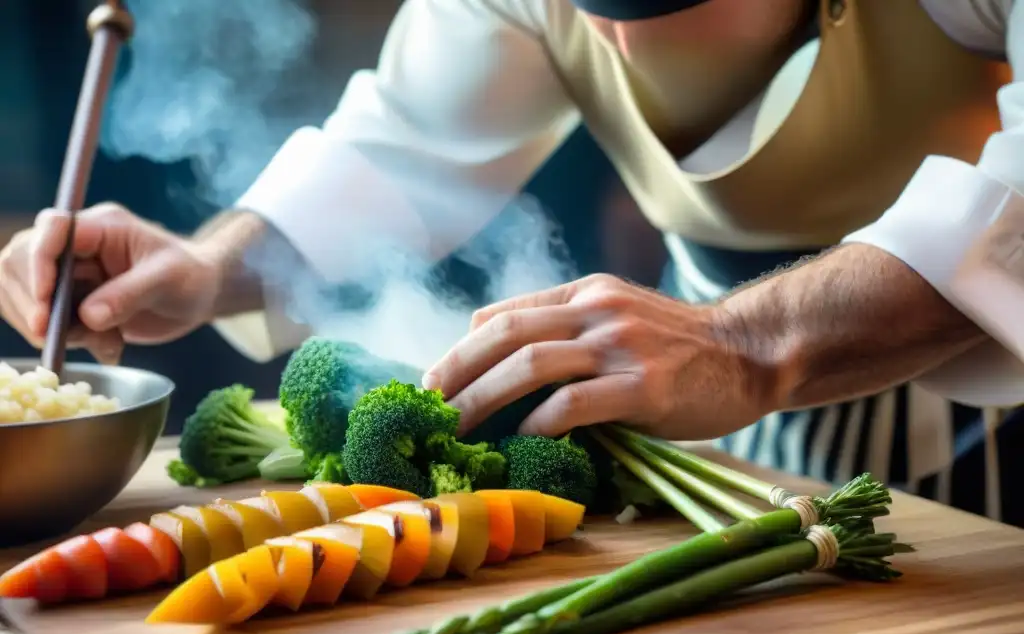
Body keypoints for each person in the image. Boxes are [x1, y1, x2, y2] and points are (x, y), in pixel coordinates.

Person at [3, 0, 1024, 521]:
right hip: (735, 445)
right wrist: (211, 264)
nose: (625, 53)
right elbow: (403, 148)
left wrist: (750, 338)